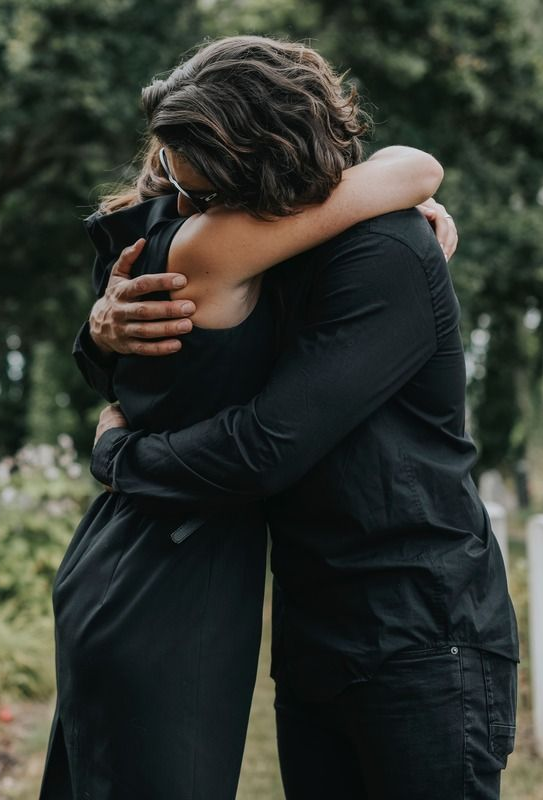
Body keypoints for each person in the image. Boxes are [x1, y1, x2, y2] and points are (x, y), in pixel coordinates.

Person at [82, 38, 519, 800]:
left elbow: (261, 449)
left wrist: (120, 456)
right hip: (316, 633)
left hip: (422, 636)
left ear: (264, 154)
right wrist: (99, 330)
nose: (191, 214)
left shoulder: (384, 248)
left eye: (206, 192)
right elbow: (176, 369)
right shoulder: (277, 252)